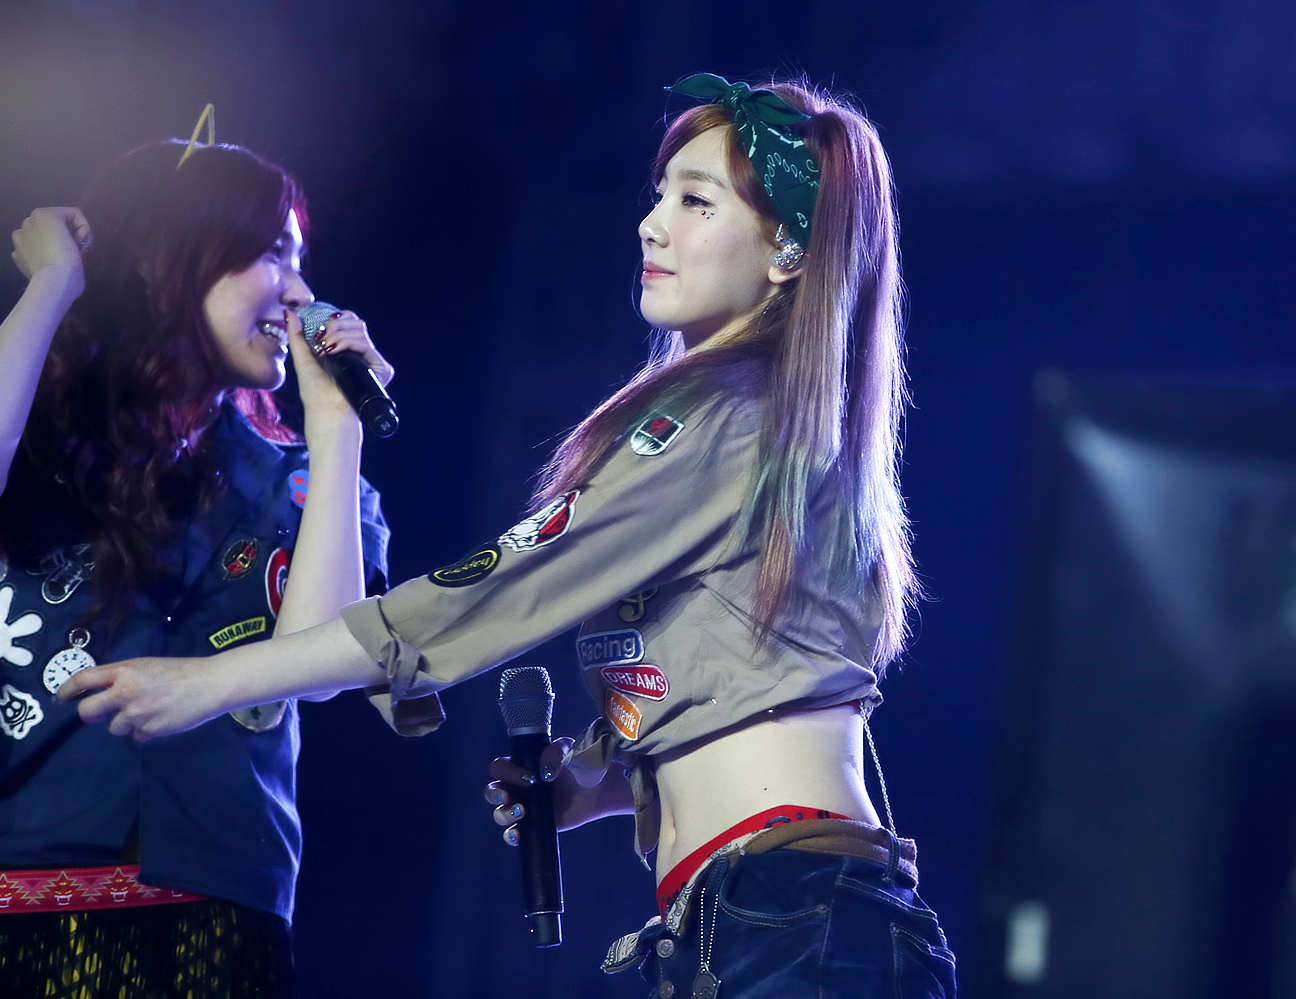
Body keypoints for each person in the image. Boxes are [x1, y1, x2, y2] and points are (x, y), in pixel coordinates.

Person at [62, 75, 957, 996]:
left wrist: (208, 681)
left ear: (788, 253)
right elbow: (729, 674)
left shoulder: (726, 419)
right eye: (659, 195)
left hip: (793, 914)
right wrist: (592, 780)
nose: (651, 225)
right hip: (765, 908)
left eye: (696, 201)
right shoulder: (753, 421)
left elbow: (499, 589)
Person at [0, 127, 392, 997]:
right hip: (24, 899)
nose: (299, 291)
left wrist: (338, 425)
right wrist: (55, 283)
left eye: (301, 261)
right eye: (270, 253)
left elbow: (326, 662)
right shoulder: (40, 437)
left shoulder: (302, 478)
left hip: (217, 917)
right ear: (169, 258)